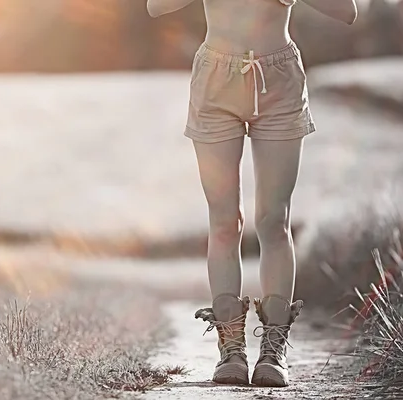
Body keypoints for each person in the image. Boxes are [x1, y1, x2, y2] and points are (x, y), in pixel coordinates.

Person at [146, 0, 357, 388]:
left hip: (279, 79)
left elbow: (347, 11)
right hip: (215, 79)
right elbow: (156, 6)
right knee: (225, 222)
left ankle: (273, 351)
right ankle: (231, 350)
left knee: (273, 220)